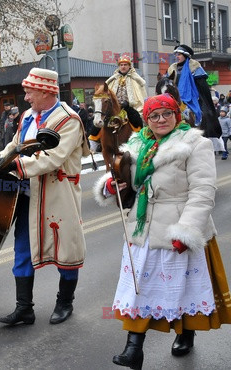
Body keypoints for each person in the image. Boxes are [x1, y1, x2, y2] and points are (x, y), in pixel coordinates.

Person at [93, 94, 231, 369]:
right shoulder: (136, 143)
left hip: (177, 226)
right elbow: (127, 179)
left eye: (166, 113)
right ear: (146, 120)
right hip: (142, 227)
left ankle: (185, 332)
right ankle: (134, 349)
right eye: (154, 116)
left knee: (183, 289)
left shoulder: (196, 144)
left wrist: (187, 230)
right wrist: (111, 187)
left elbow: (203, 191)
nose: (160, 120)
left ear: (176, 115)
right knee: (139, 289)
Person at [0, 67, 89, 326]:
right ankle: (24, 308)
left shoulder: (69, 120)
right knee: (22, 249)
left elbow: (53, 158)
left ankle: (64, 302)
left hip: (58, 193)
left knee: (66, 248)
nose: (26, 96)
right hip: (26, 194)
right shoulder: (26, 117)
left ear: (45, 91)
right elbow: (14, 146)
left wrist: (16, 166)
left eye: (30, 91)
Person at [166, 44, 222, 140]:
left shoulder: (195, 67)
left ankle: (203, 135)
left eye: (179, 54)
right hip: (176, 97)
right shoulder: (172, 68)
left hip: (194, 97)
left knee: (204, 114)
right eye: (176, 55)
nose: (177, 57)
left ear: (186, 55)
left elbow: (202, 87)